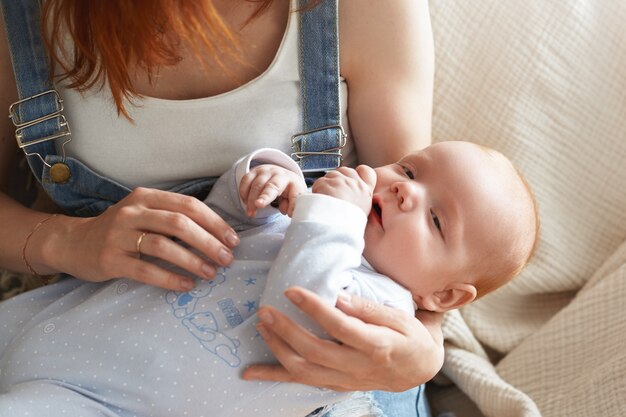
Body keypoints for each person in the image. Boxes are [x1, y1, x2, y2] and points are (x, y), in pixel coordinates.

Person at [0, 0, 440, 416]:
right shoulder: (24, 15)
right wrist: (67, 240)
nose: (406, 190)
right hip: (102, 340)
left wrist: (427, 350)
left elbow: (430, 248)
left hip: (326, 389)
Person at [0, 141, 538, 417]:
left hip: (111, 406)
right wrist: (262, 181)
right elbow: (220, 222)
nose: (404, 192)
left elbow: (296, 315)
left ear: (442, 295)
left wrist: (332, 217)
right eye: (412, 170)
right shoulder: (310, 220)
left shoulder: (385, 312)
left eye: (437, 220)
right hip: (68, 323)